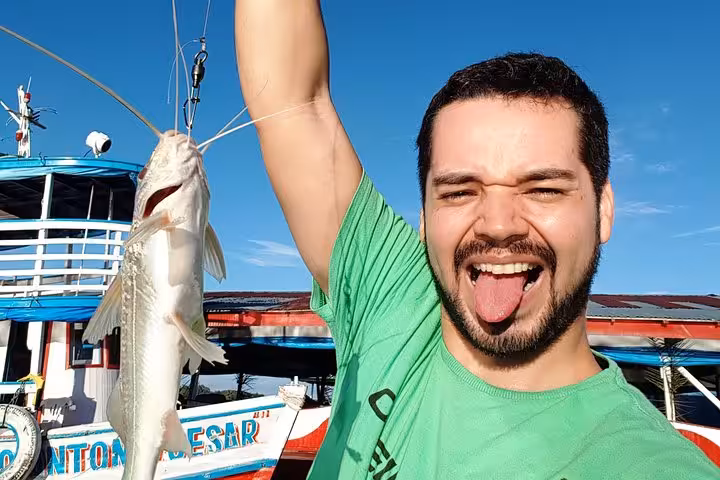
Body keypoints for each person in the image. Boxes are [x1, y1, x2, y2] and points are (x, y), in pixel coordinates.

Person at [234, 1, 720, 478]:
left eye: (544, 188)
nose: (499, 224)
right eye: (461, 191)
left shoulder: (649, 466)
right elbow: (292, 102)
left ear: (603, 210)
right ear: (424, 219)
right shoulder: (393, 301)